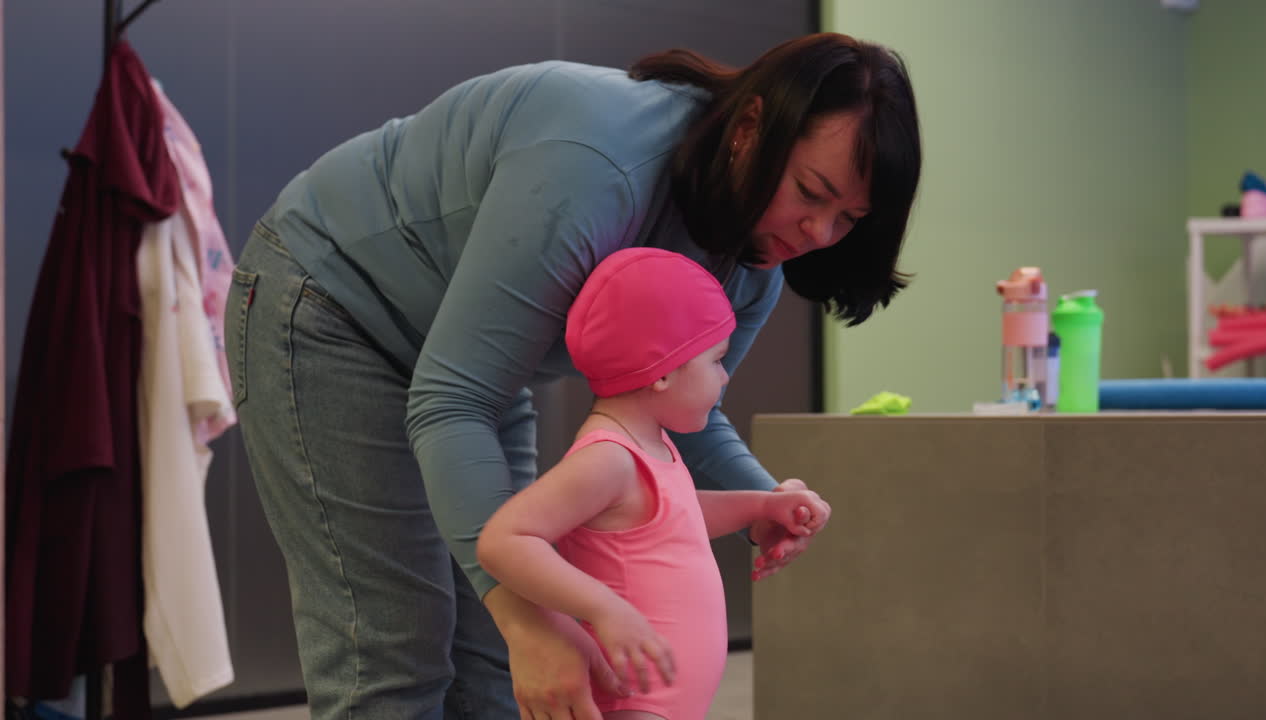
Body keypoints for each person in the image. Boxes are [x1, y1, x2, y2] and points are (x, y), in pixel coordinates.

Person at [225, 31, 921, 720]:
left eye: (848, 218)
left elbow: (687, 412)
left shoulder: (750, 262)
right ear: (749, 130)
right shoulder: (597, 165)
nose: (819, 234)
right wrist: (530, 621)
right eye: (811, 192)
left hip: (475, 368)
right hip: (333, 307)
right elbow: (453, 398)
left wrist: (768, 503)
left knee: (499, 659)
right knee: (394, 649)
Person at [477, 247, 832, 720]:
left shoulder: (650, 444)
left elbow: (673, 519)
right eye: (716, 361)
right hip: (633, 703)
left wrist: (762, 508)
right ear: (663, 371)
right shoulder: (608, 458)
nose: (725, 377)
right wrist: (603, 608)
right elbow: (504, 540)